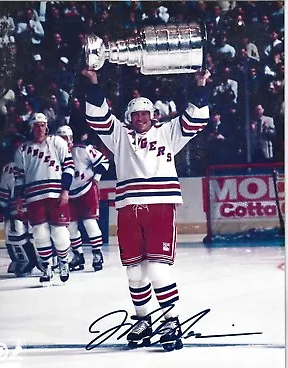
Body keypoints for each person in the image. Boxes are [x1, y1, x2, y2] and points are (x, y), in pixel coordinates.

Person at [82, 67, 210, 351]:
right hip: (128, 208)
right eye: (135, 115)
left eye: (144, 114)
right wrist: (93, 81)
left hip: (160, 208)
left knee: (157, 268)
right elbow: (97, 116)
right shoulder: (119, 136)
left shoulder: (168, 133)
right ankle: (143, 319)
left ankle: (171, 320)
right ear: (129, 118)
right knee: (135, 273)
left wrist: (200, 85)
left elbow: (195, 118)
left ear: (153, 115)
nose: (140, 119)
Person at [14, 113, 75, 284]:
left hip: (56, 195)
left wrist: (65, 191)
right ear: (31, 128)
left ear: (46, 126)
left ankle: (64, 262)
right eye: (36, 125)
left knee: (60, 233)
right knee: (40, 234)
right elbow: (19, 177)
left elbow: (69, 167)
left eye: (42, 125)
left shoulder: (57, 142)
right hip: (34, 197)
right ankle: (47, 266)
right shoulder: (23, 150)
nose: (39, 128)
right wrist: (19, 197)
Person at [55, 125, 109, 272]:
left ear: (71, 139)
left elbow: (104, 162)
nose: (63, 142)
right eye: (60, 139)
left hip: (86, 190)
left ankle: (97, 254)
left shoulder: (82, 150)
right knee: (71, 227)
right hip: (68, 195)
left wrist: (96, 178)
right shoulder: (54, 156)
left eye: (65, 138)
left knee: (89, 222)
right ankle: (78, 255)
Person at [0, 135, 41, 277]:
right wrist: (0, 208)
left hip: (36, 207)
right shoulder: (8, 169)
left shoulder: (37, 163)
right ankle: (23, 261)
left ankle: (46, 260)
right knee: (13, 231)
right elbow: (3, 189)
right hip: (17, 210)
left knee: (40, 232)